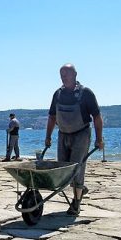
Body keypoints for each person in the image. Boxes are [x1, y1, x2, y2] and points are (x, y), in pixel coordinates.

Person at [45, 63, 104, 216]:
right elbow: (52, 117)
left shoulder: (86, 93)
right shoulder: (57, 94)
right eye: (61, 74)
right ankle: (80, 189)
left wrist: (99, 139)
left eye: (66, 74)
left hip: (81, 134)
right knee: (64, 170)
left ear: (75, 75)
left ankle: (76, 203)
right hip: (63, 134)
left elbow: (97, 117)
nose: (63, 77)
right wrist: (48, 137)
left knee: (77, 168)